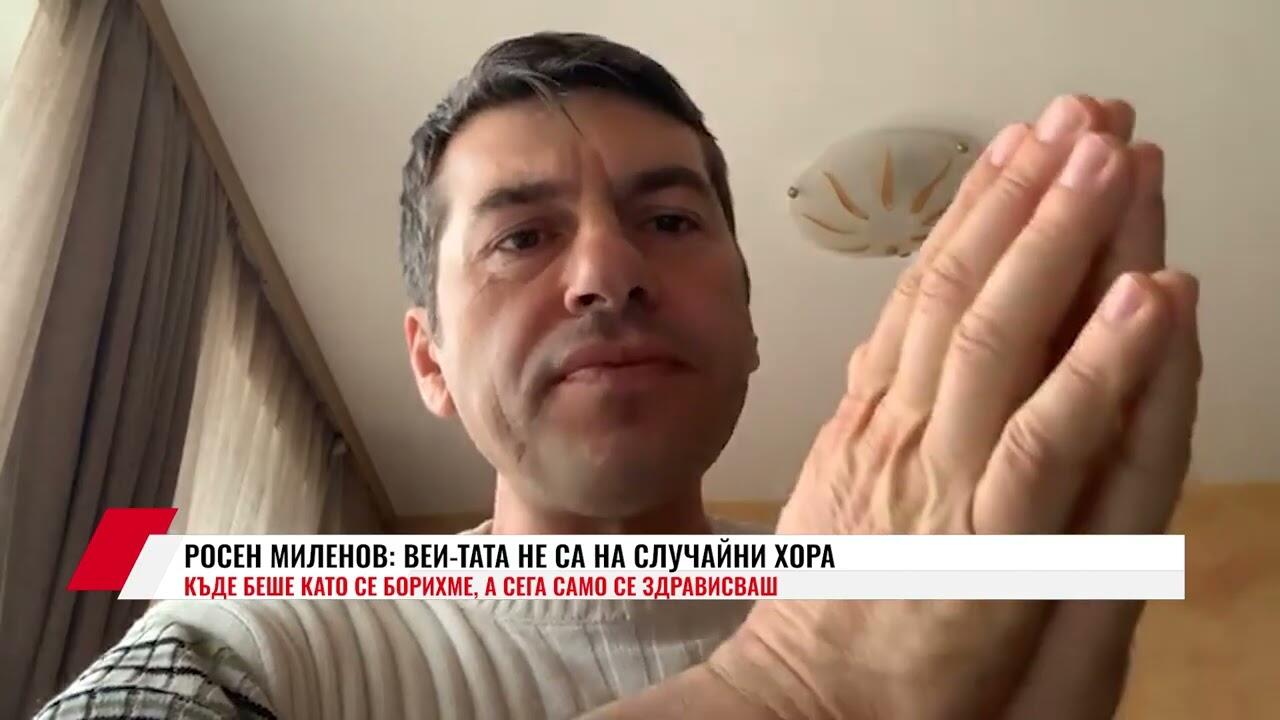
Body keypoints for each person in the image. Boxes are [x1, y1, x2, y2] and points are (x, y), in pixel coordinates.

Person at [39, 32, 1199, 720]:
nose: (606, 273)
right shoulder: (263, 640)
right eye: (521, 237)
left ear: (746, 321)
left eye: (669, 219)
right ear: (429, 361)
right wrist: (795, 690)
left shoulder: (953, 611)